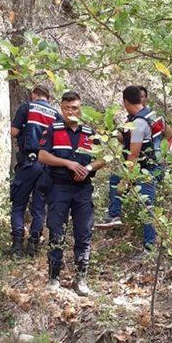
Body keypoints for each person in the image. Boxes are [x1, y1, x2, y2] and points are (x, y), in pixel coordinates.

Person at [38, 91, 106, 296]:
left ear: (80, 108)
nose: (70, 112)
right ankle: (53, 277)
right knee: (56, 231)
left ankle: (81, 279)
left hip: (82, 189)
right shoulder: (53, 129)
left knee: (83, 233)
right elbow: (42, 155)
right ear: (61, 108)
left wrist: (88, 168)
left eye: (74, 108)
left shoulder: (89, 132)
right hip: (58, 187)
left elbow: (104, 158)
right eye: (67, 108)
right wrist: (68, 163)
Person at [97, 85, 167, 252]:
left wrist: (126, 179)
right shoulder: (155, 116)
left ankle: (149, 248)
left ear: (125, 102)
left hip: (146, 170)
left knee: (146, 207)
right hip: (156, 165)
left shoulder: (138, 123)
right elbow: (167, 136)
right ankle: (114, 215)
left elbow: (133, 154)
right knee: (115, 179)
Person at [10, 85, 60, 257]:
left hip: (28, 163)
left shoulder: (27, 107)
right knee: (39, 208)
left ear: (34, 94)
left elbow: (14, 132)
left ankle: (17, 245)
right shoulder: (56, 115)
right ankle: (33, 244)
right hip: (47, 166)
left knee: (18, 204)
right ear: (49, 97)